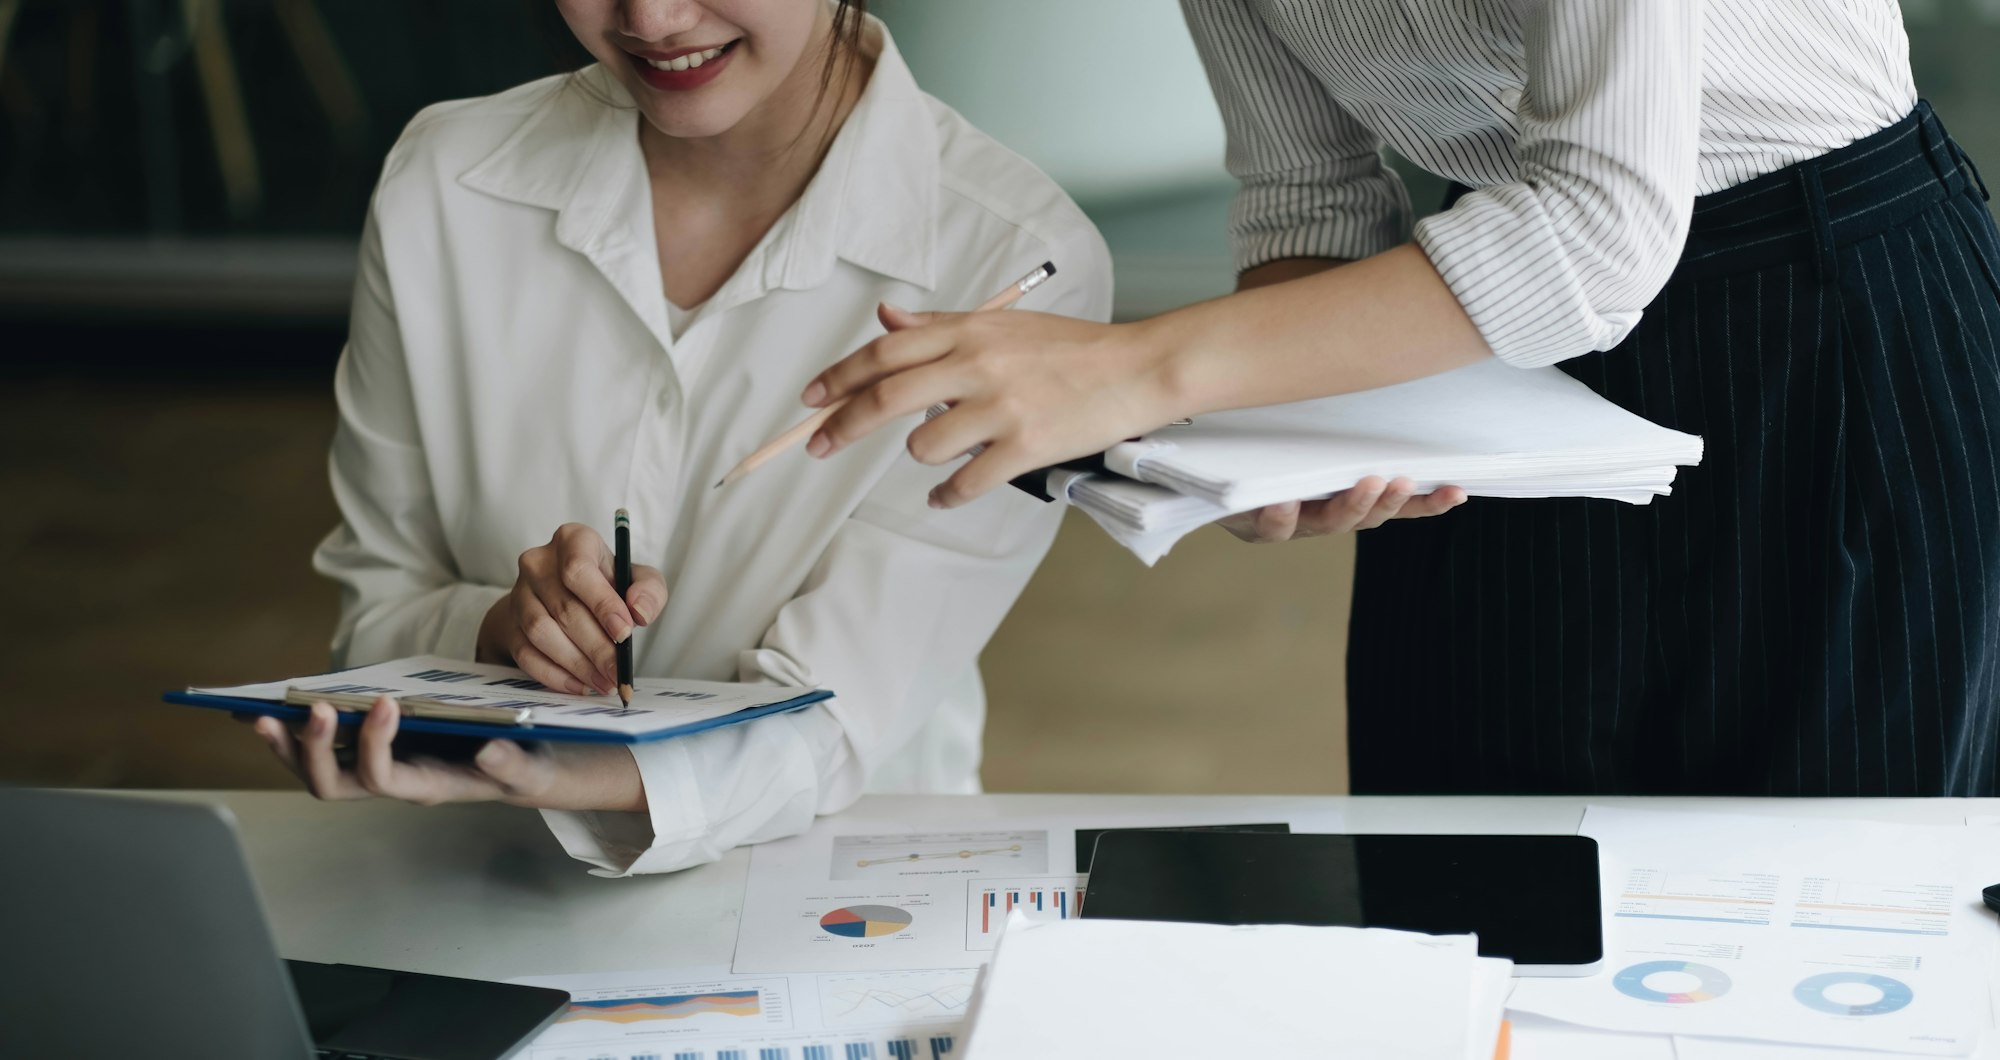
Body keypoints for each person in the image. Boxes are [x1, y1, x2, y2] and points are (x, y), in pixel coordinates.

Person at [799, 2, 2000, 797]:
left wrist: (1130, 369)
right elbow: (1306, 196)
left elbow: (1600, 230)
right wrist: (1275, 445)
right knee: (1463, 912)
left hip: (1825, 314)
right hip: (1489, 319)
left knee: (1786, 946)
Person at [251, 0, 1111, 875]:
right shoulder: (444, 183)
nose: (652, 17)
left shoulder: (1014, 260)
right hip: (467, 882)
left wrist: (571, 770)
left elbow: (835, 720)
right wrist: (499, 635)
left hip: (844, 893)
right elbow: (373, 623)